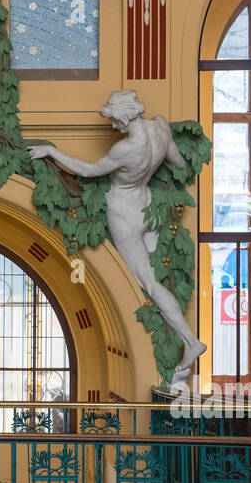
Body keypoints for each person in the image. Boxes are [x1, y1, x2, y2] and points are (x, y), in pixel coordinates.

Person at [27, 89, 206, 389]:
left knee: (147, 282)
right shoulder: (161, 127)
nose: (112, 125)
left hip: (122, 210)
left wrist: (51, 152)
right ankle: (188, 341)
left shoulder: (126, 149)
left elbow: (87, 171)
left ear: (124, 114)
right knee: (152, 277)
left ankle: (190, 341)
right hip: (147, 206)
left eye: (113, 117)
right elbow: (178, 165)